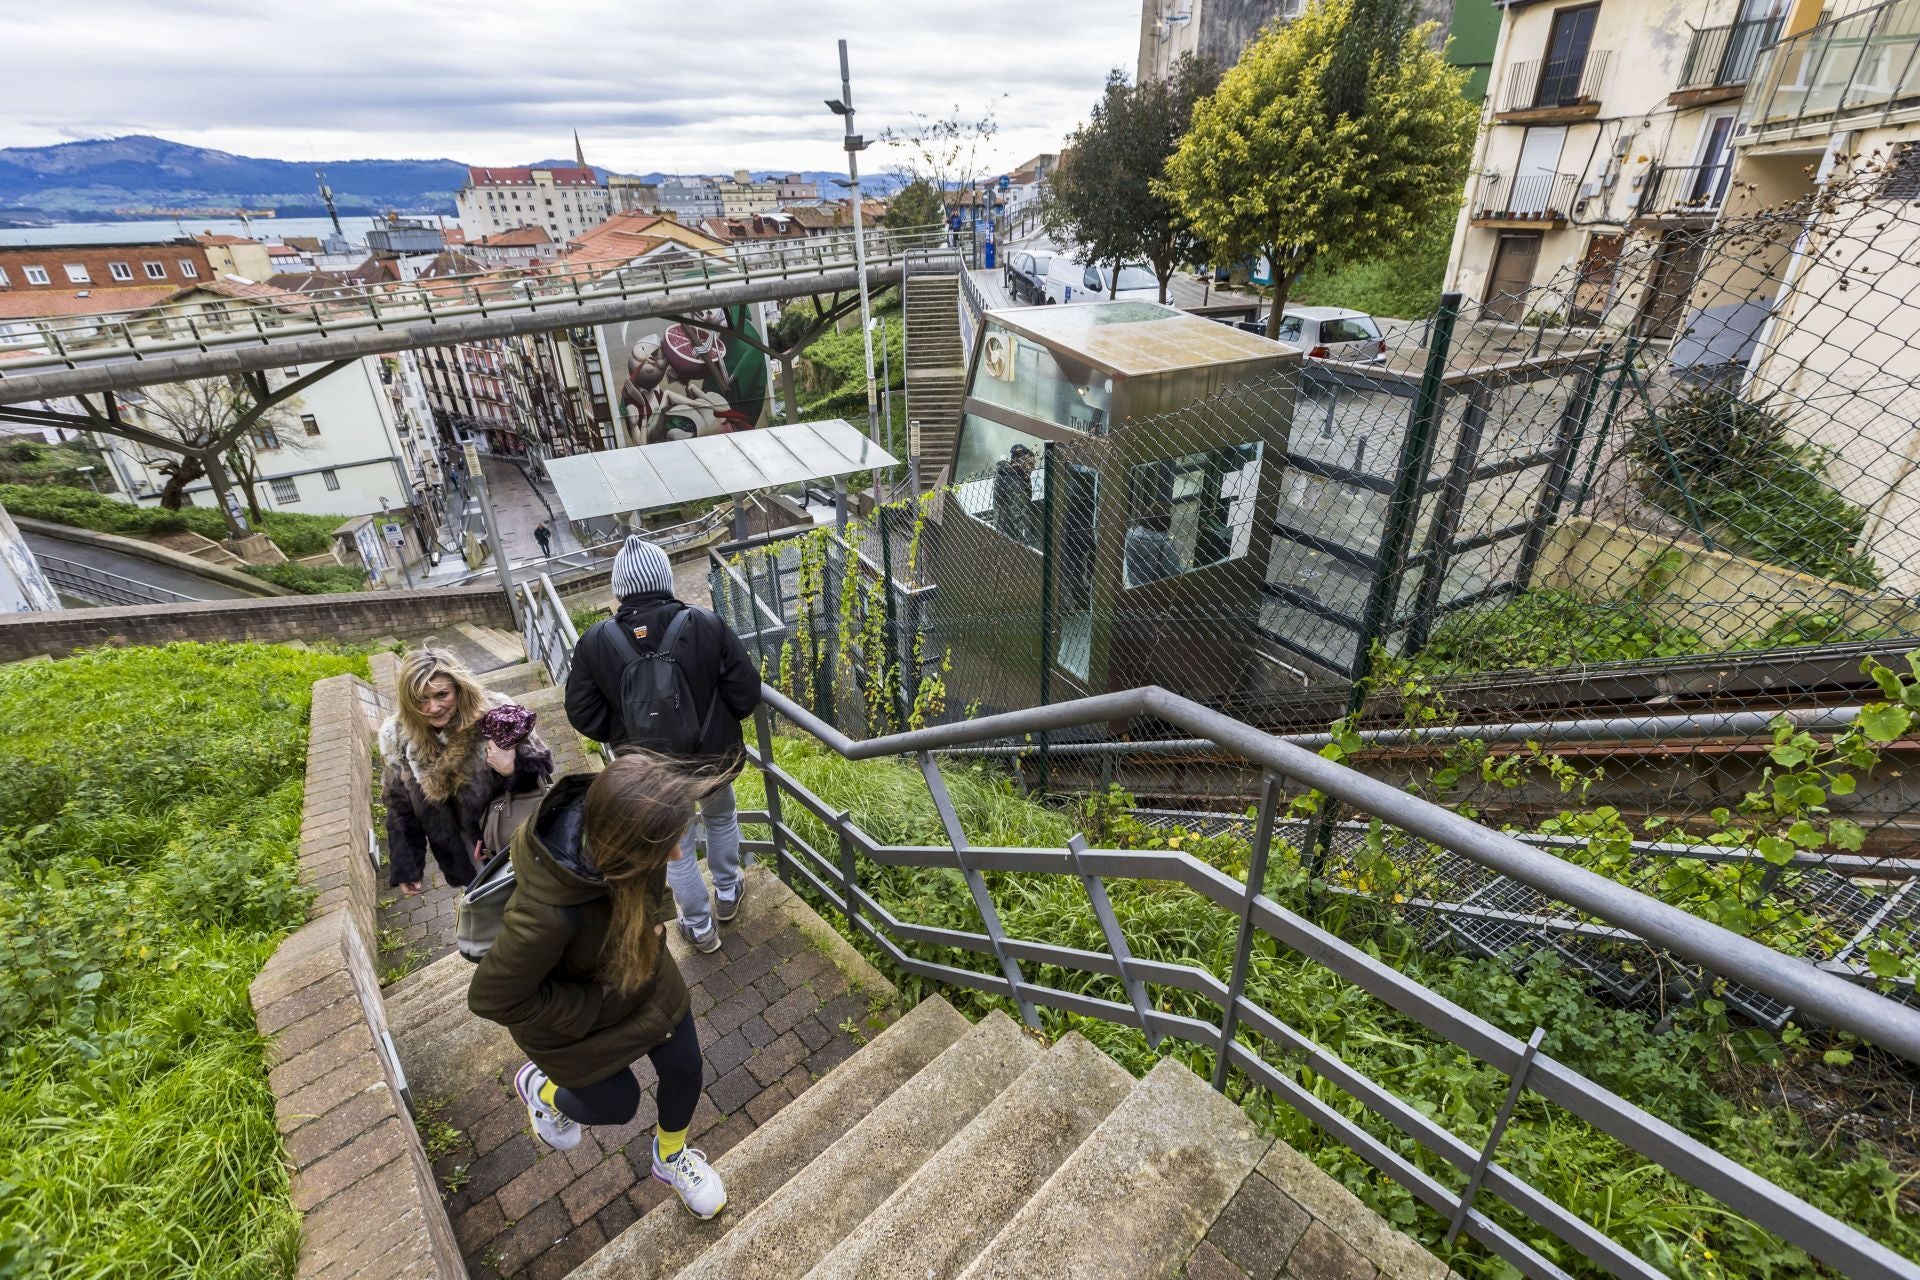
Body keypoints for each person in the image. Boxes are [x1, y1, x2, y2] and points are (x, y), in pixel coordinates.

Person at [468, 753, 727, 1220]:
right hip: (580, 1019)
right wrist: (591, 1004)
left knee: (686, 1067)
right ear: (624, 845)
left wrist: (650, 930)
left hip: (642, 977)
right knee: (617, 1104)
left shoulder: (632, 840)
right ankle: (541, 1091)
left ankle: (670, 1159)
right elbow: (490, 997)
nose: (675, 856)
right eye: (667, 845)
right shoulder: (548, 916)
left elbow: (646, 896)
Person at [564, 536, 761, 953]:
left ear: (620, 588)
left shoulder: (595, 641)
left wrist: (625, 735)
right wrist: (713, 722)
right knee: (722, 819)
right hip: (712, 759)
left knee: (677, 847)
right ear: (664, 578)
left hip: (648, 769)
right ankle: (728, 894)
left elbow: (583, 713)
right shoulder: (705, 623)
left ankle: (700, 929)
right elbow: (745, 692)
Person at [381, 648, 553, 897]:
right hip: (460, 851)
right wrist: (408, 866)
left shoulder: (498, 713)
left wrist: (512, 769)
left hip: (510, 836)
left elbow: (544, 768)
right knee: (491, 906)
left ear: (459, 688)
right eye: (421, 700)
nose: (433, 707)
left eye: (442, 694)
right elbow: (399, 805)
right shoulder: (397, 736)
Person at [991, 443, 1039, 547]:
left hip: (1003, 533)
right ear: (1018, 462)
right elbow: (1021, 515)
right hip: (1015, 540)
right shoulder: (1016, 481)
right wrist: (1028, 544)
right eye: (1029, 463)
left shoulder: (1004, 473)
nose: (1033, 467)